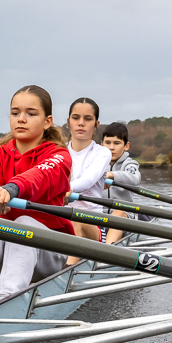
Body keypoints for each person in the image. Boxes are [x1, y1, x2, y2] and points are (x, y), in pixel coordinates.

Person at [0, 85, 74, 297]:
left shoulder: (59, 155)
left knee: (23, 223)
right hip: (5, 244)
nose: (21, 119)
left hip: (49, 249)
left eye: (30, 114)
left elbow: (38, 177)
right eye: (15, 113)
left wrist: (10, 189)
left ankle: (6, 298)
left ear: (47, 121)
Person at [66, 97, 111, 255]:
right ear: (68, 121)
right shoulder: (58, 152)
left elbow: (88, 180)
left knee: (76, 220)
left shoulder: (102, 152)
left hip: (92, 223)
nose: (81, 123)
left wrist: (64, 189)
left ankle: (64, 272)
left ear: (96, 124)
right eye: (76, 117)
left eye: (88, 119)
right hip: (61, 220)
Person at [101, 121, 141, 244]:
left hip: (125, 218)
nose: (111, 147)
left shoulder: (130, 164)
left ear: (126, 146)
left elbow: (134, 178)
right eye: (107, 143)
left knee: (117, 213)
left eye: (117, 143)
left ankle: (105, 252)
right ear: (102, 144)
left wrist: (111, 175)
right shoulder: (96, 164)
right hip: (99, 217)